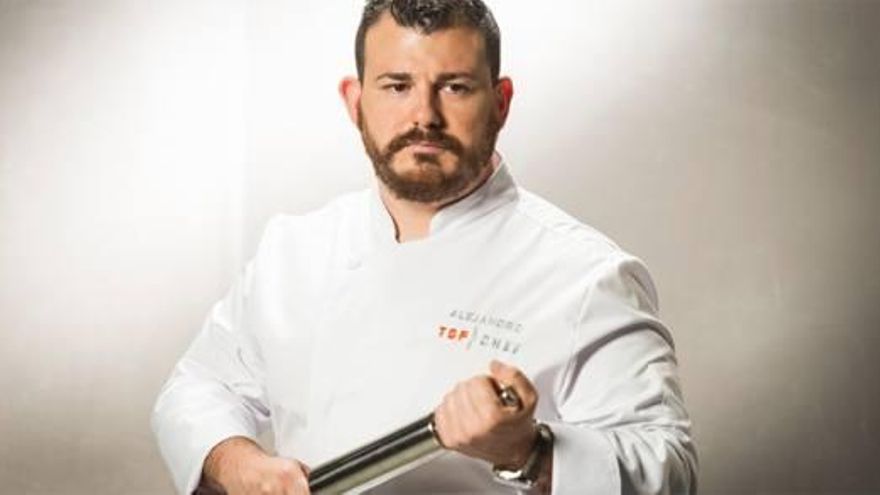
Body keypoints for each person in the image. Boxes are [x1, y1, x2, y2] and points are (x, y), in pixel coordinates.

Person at [151, 1, 699, 493]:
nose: (424, 117)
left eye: (455, 86)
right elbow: (199, 385)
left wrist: (528, 451)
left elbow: (670, 470)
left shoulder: (586, 274)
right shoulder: (294, 250)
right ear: (354, 100)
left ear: (501, 102)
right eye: (397, 86)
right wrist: (238, 463)